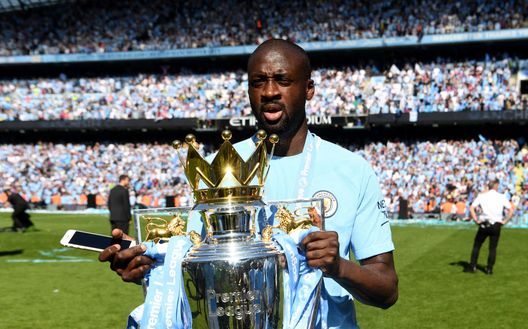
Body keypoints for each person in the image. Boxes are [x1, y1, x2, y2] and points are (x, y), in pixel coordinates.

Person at [99, 39, 398, 328]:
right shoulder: (222, 167)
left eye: (282, 80)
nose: (269, 91)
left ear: (308, 89)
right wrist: (145, 265)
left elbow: (387, 290)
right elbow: (192, 262)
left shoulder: (352, 170)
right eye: (258, 82)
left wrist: (339, 267)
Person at [464, 179, 514, 275]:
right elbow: (511, 210)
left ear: (489, 186)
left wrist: (475, 219)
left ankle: (472, 266)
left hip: (484, 223)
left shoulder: (482, 196)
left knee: (477, 245)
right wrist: (505, 221)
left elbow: (472, 208)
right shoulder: (501, 197)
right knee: (493, 248)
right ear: (496, 187)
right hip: (496, 224)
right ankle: (489, 268)